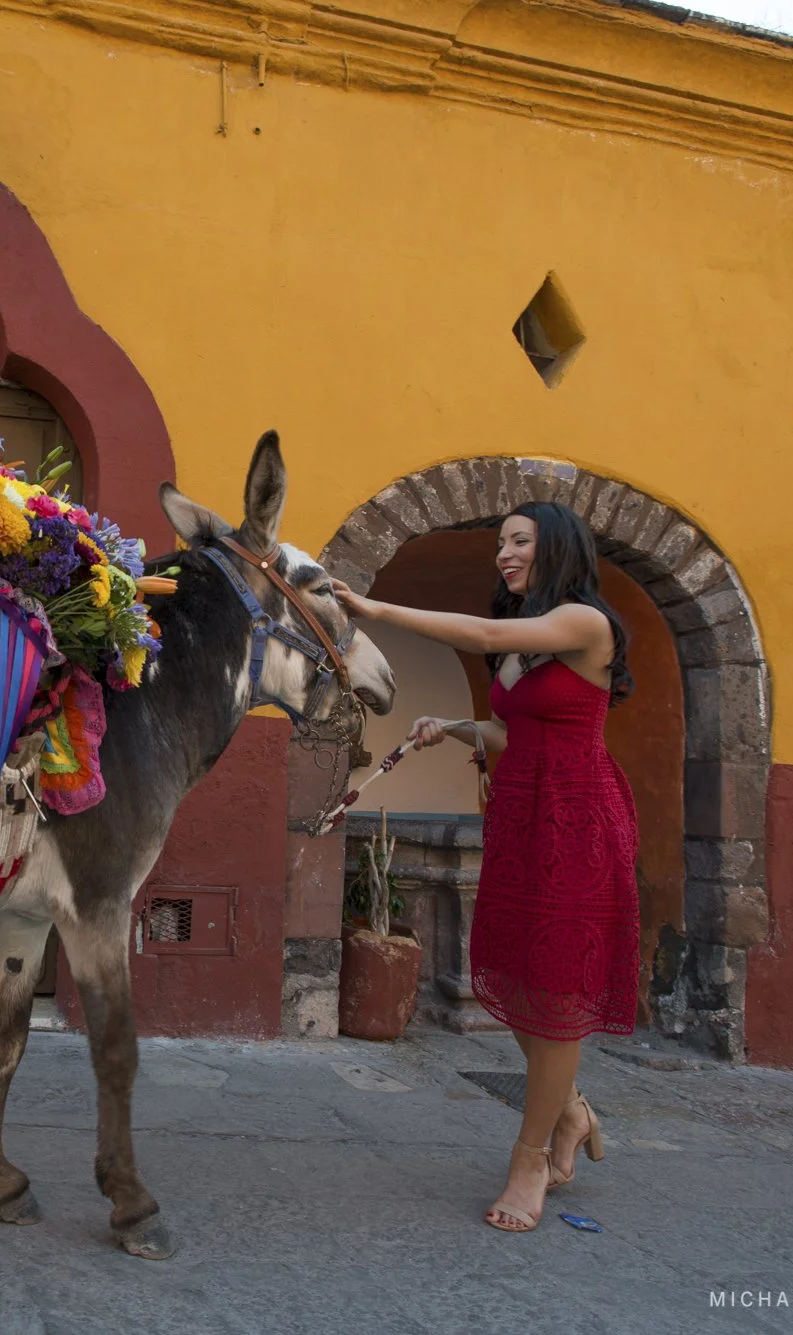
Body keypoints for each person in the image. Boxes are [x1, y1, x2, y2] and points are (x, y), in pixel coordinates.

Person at [334, 500, 637, 1233]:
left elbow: (487, 630)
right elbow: (512, 728)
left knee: (557, 987)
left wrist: (375, 608)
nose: (504, 554)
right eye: (500, 543)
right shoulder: (521, 649)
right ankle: (570, 1112)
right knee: (516, 974)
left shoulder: (585, 623)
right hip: (519, 816)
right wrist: (455, 729)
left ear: (555, 547)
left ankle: (530, 1157)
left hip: (578, 820)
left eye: (519, 542)